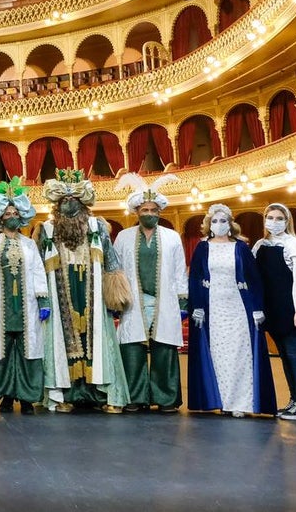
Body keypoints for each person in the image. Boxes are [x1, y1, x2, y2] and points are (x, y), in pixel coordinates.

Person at [37, 169, 131, 412]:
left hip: (94, 294)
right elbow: (37, 267)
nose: (69, 203)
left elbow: (111, 261)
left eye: (74, 199)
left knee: (96, 339)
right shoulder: (47, 229)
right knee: (63, 340)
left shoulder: (97, 227)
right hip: (59, 295)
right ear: (56, 204)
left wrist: (116, 296)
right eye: (64, 200)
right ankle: (66, 395)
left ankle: (100, 395)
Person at [187, 203, 275, 417]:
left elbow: (254, 279)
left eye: (223, 220)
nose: (219, 224)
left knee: (239, 355)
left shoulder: (241, 247)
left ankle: (241, 403)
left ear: (230, 223)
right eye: (215, 221)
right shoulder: (202, 247)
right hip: (213, 308)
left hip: (238, 306)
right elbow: (195, 278)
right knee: (218, 356)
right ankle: (223, 401)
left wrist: (257, 308)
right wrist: (197, 306)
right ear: (209, 224)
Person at [113, 174, 189, 413]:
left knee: (164, 349)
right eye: (145, 209)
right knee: (132, 350)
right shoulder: (124, 237)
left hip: (163, 301)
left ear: (160, 212)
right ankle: (134, 397)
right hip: (132, 302)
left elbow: (179, 271)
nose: (149, 213)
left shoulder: (172, 237)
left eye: (154, 210)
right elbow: (115, 270)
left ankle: (166, 398)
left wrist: (183, 302)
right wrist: (115, 299)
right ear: (136, 211)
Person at [0, 178, 50, 414]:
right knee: (4, 353)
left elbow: (38, 272)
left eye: (15, 213)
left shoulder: (30, 245)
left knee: (29, 352)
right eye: (7, 213)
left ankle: (27, 398)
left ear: (21, 217)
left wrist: (43, 301)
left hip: (27, 307)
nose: (11, 216)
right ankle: (7, 397)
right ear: (0, 218)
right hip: (1, 307)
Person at [252, 203, 296, 420]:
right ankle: (294, 400)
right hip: (271, 309)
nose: (274, 222)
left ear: (287, 221)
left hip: (290, 309)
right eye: (270, 218)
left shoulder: (295, 245)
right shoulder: (260, 245)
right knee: (284, 356)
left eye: (279, 218)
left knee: (295, 355)